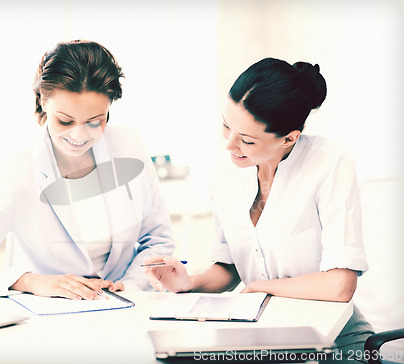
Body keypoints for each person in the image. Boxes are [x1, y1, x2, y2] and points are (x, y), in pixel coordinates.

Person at [145, 58, 374, 363]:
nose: (229, 145)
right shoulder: (225, 172)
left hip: (334, 344)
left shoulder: (328, 164)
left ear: (289, 138)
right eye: (226, 126)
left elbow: (341, 284)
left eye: (247, 140)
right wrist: (189, 282)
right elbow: (228, 269)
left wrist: (260, 288)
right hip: (261, 342)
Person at [0, 40, 175, 300]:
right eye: (65, 120)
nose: (79, 135)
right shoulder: (18, 172)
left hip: (124, 310)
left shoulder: (129, 145)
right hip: (47, 320)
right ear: (43, 101)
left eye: (95, 122)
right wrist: (30, 282)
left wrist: (130, 285)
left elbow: (158, 239)